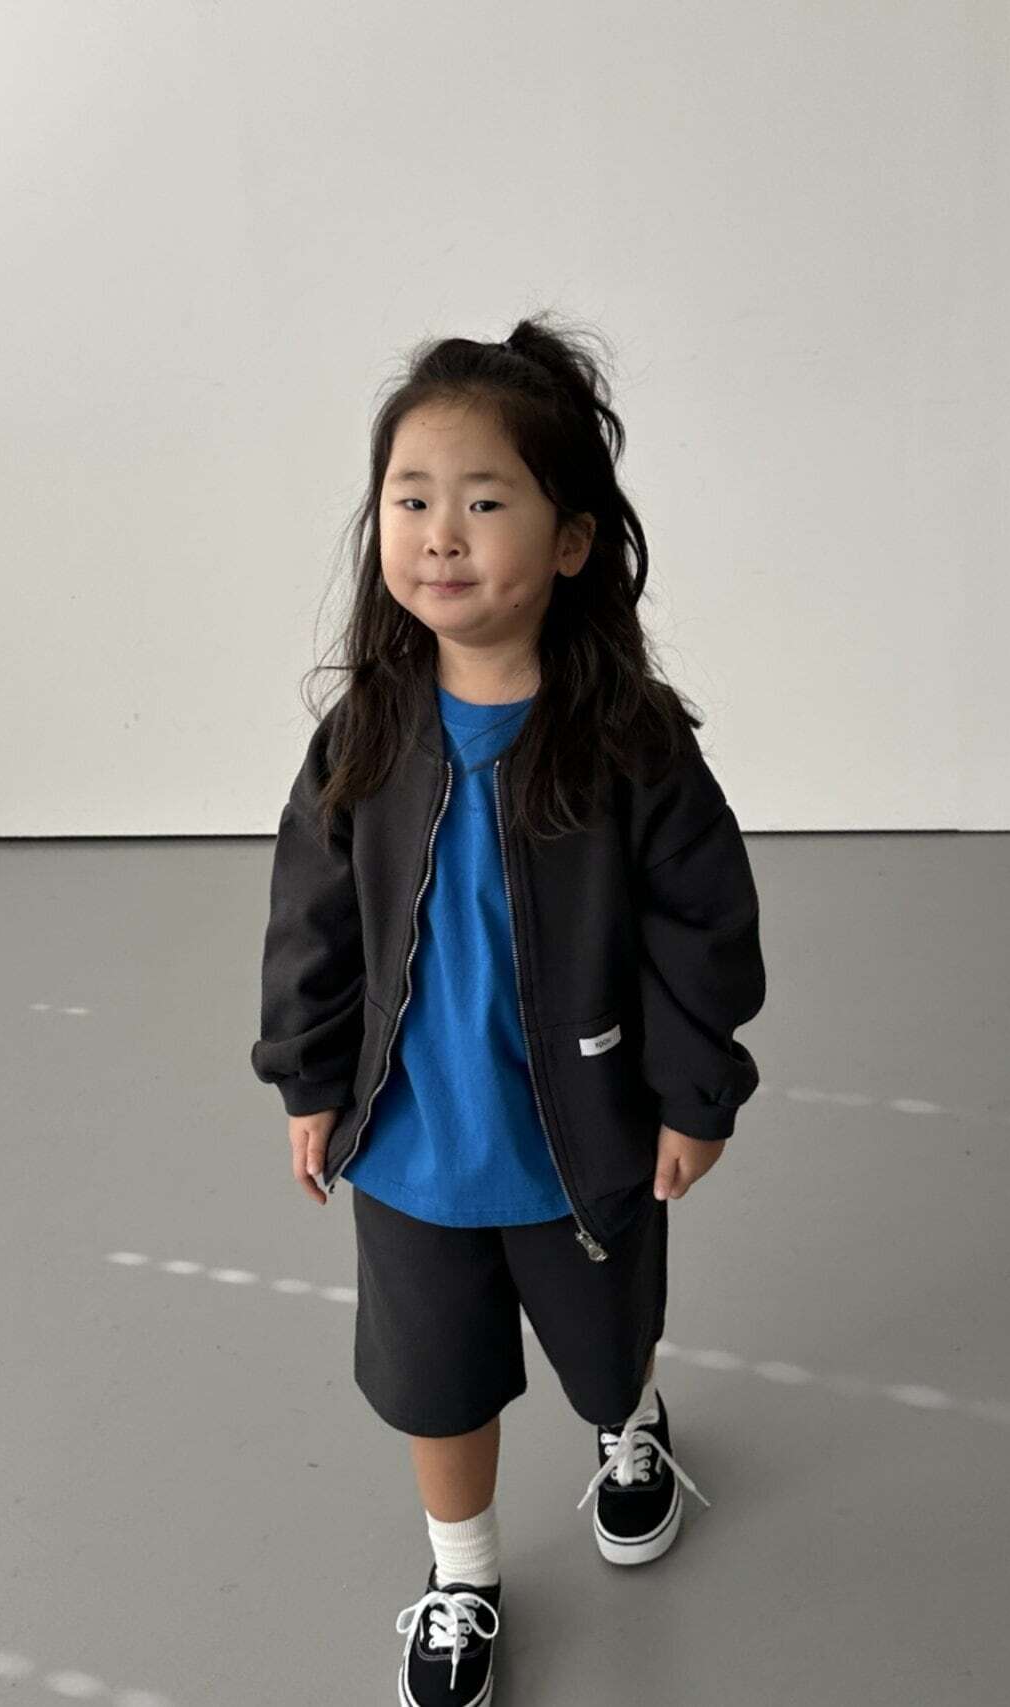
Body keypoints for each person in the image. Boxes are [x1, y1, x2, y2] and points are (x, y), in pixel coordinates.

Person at [250, 312, 766, 1705]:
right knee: (437, 1379)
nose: (441, 535)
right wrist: (309, 1077)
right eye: (410, 500)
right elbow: (309, 918)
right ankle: (461, 1575)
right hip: (414, 1146)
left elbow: (703, 927)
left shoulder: (630, 741)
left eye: (485, 502)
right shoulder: (364, 732)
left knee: (604, 1341)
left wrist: (695, 1093)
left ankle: (628, 1424)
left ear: (573, 540)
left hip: (580, 1137)